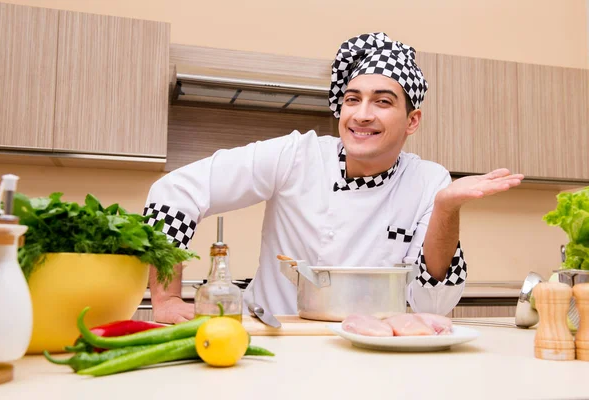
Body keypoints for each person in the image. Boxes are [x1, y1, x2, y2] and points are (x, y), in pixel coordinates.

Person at [143, 32, 524, 324]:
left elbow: (433, 303)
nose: (361, 114)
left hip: (371, 351)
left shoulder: (428, 181)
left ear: (412, 120)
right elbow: (174, 192)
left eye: (383, 101)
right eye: (352, 99)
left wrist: (446, 207)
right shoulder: (297, 154)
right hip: (276, 336)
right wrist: (166, 298)